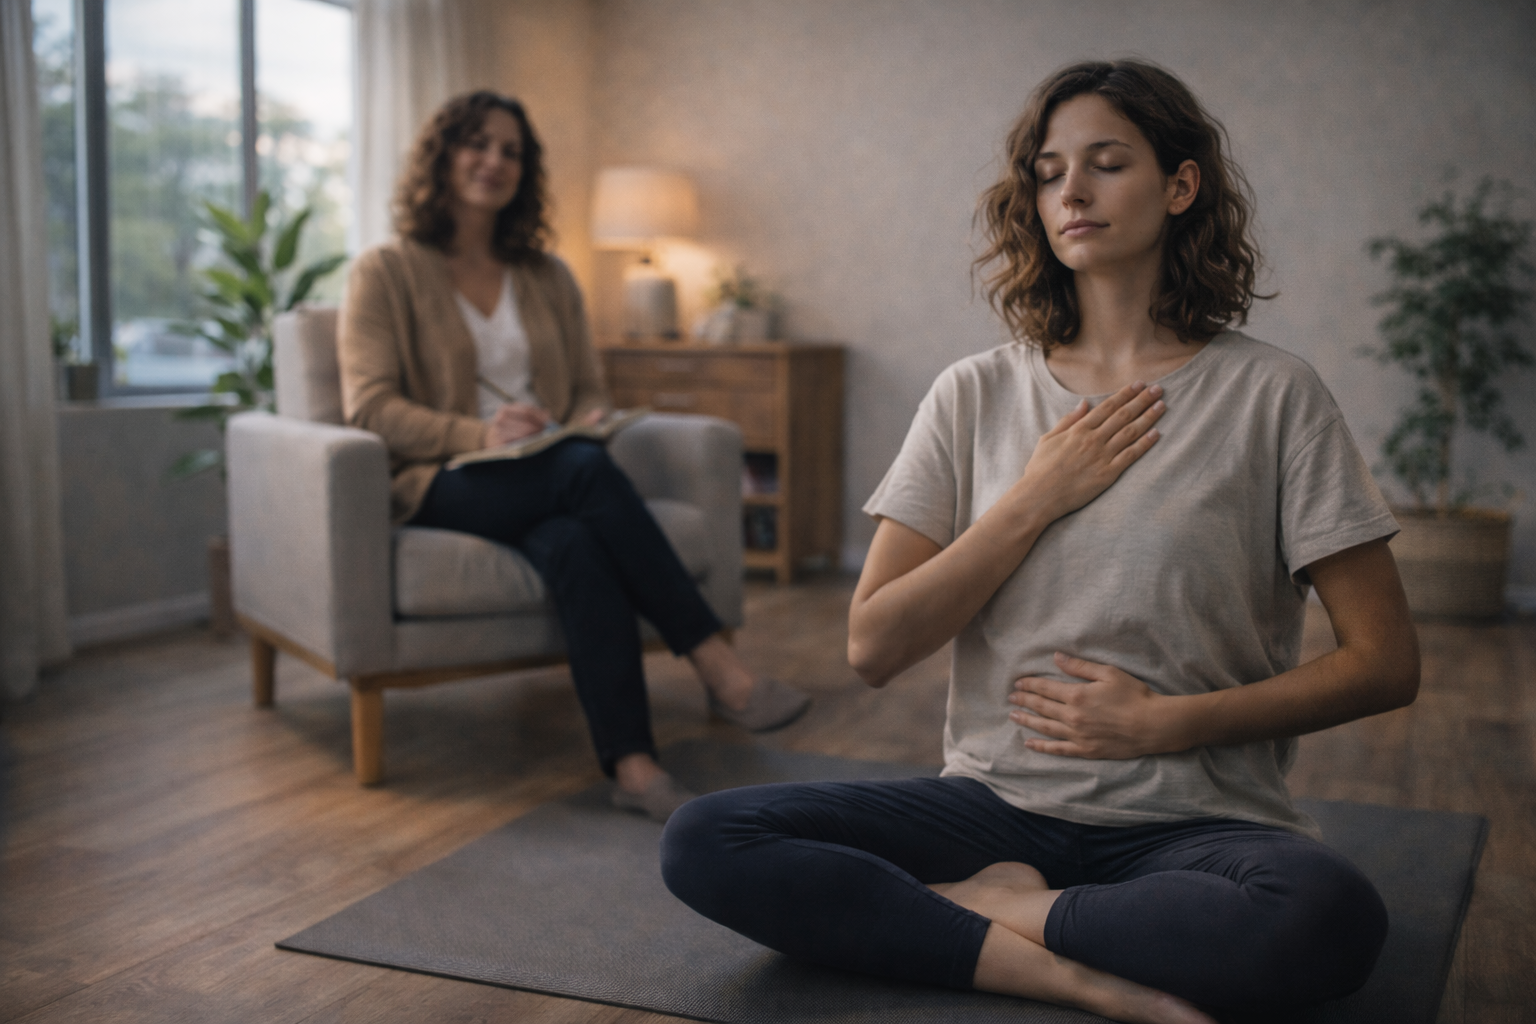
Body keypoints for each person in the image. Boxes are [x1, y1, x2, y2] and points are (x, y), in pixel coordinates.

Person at [660, 60, 1419, 1023]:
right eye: (1050, 170)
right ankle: (1048, 958)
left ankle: (996, 917)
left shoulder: (1273, 397)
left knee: (1328, 917)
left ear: (1180, 186)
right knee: (704, 838)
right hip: (994, 808)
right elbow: (876, 645)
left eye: (1106, 163)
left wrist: (1166, 725)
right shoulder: (973, 394)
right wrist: (1032, 499)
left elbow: (1386, 663)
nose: (1072, 191)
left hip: (1195, 822)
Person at [337, 90, 809, 823]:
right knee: (583, 473)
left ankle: (634, 766)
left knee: (576, 542)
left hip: (549, 470)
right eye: (478, 144)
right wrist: (480, 434)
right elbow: (368, 407)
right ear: (442, 154)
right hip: (445, 479)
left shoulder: (549, 275)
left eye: (511, 151)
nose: (495, 161)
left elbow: (589, 386)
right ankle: (718, 665)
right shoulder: (384, 270)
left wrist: (583, 417)